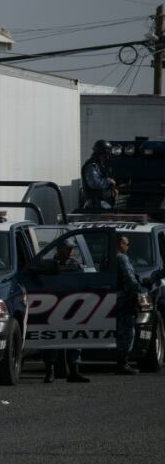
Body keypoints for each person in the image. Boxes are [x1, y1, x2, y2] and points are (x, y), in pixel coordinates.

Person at [42, 242, 84, 383]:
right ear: (60, 249)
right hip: (55, 306)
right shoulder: (50, 265)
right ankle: (50, 372)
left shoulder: (75, 265)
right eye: (68, 248)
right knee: (53, 339)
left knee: (75, 338)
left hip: (72, 306)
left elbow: (82, 283)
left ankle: (74, 371)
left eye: (72, 248)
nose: (71, 251)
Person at [111, 234, 145, 375]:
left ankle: (121, 362)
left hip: (114, 300)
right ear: (120, 244)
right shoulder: (122, 258)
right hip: (124, 301)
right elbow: (130, 280)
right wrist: (141, 290)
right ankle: (122, 364)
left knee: (120, 331)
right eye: (127, 244)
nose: (128, 247)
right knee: (127, 332)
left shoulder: (108, 258)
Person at [81, 140, 118, 211]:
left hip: (103, 203)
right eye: (106, 154)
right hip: (96, 205)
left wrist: (112, 190)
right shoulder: (92, 166)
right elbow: (94, 183)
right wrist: (108, 181)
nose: (107, 157)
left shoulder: (100, 165)